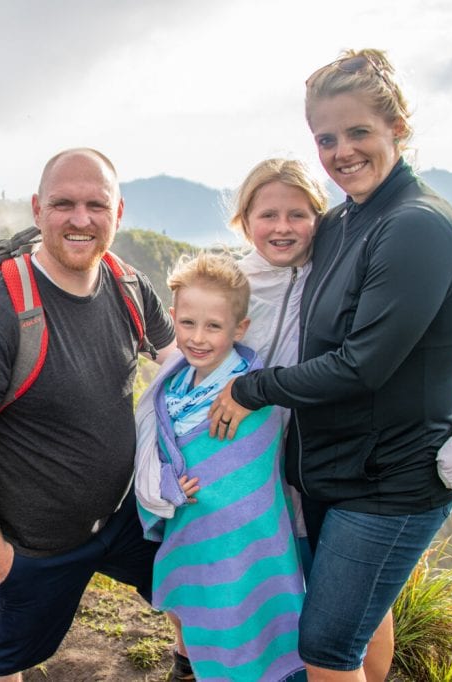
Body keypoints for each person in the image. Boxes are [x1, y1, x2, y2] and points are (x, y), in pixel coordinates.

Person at [210, 49, 452, 681]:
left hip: (390, 482)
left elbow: (362, 366)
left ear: (398, 130)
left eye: (359, 132)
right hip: (341, 470)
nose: (342, 151)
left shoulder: (415, 226)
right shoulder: (347, 222)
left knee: (324, 647)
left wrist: (254, 388)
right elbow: (280, 279)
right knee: (359, 623)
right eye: (327, 138)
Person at [0, 148, 176, 681]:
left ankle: (187, 665)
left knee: (187, 589)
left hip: (126, 515)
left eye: (96, 204)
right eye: (63, 204)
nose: (80, 219)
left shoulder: (128, 284)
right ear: (38, 209)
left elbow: (180, 361)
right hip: (34, 547)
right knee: (5, 662)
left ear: (118, 212)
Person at [135, 252, 306, 681]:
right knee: (198, 621)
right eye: (188, 323)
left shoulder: (253, 389)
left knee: (243, 631)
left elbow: (251, 477)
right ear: (173, 317)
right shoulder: (171, 384)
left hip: (245, 542)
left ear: (239, 328)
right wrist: (166, 483)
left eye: (214, 326)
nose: (198, 338)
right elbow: (160, 449)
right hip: (191, 532)